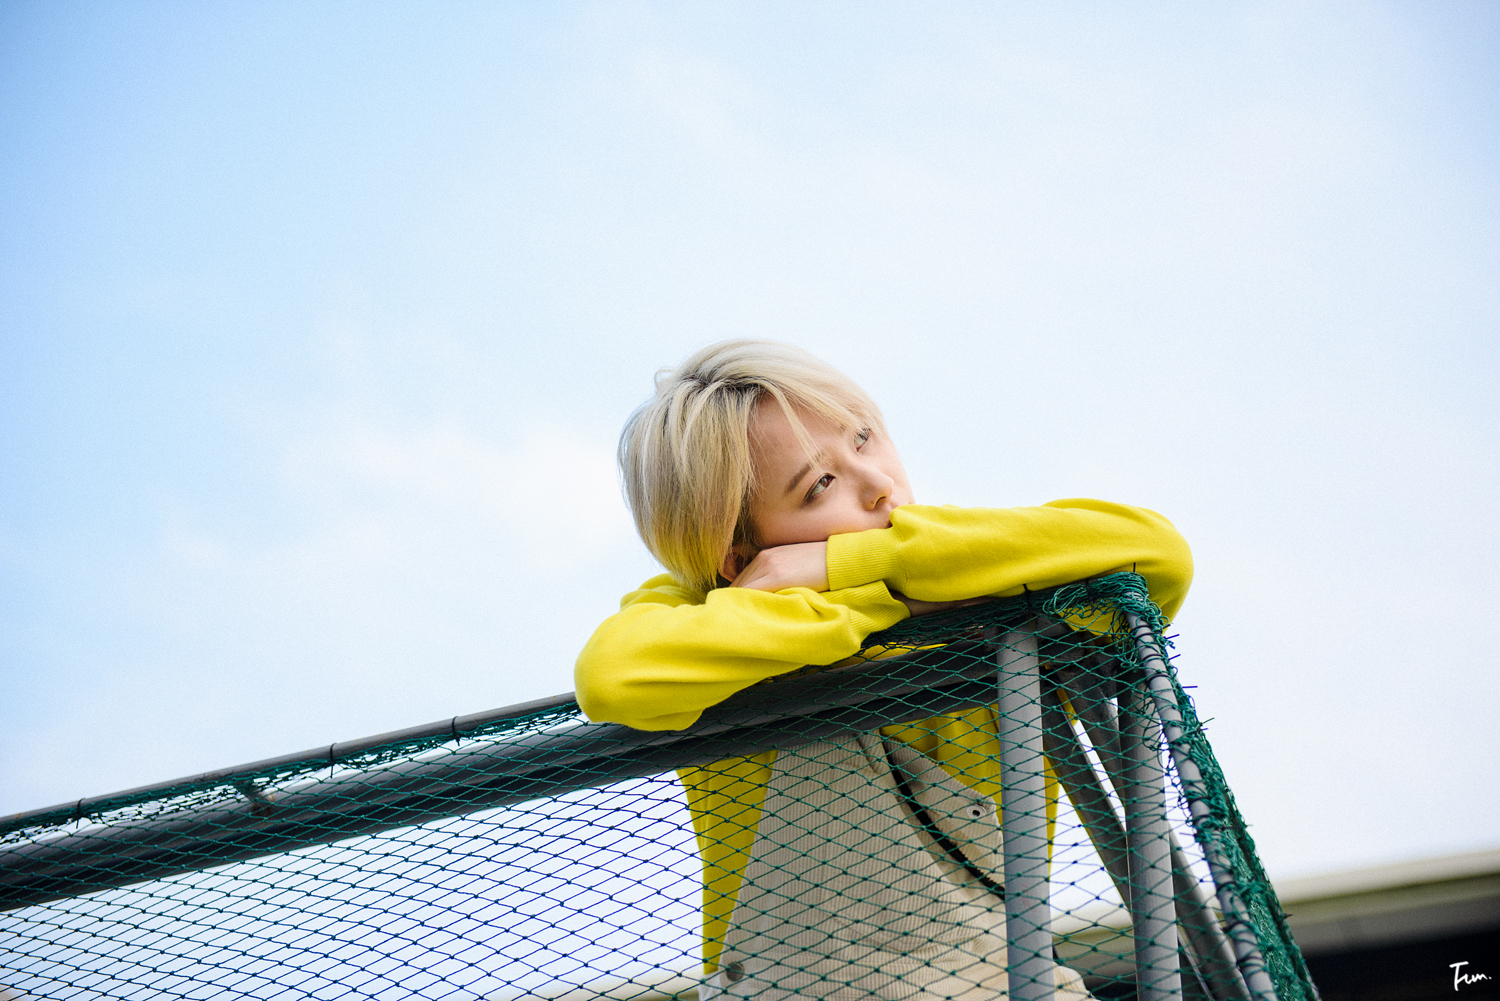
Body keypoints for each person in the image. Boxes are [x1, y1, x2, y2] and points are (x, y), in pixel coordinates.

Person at [574, 341, 1193, 1001]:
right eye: (820, 485)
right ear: (739, 560)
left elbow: (1158, 555)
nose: (878, 483)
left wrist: (843, 566)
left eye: (863, 438)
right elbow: (614, 676)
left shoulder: (967, 557)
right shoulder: (702, 612)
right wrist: (891, 600)